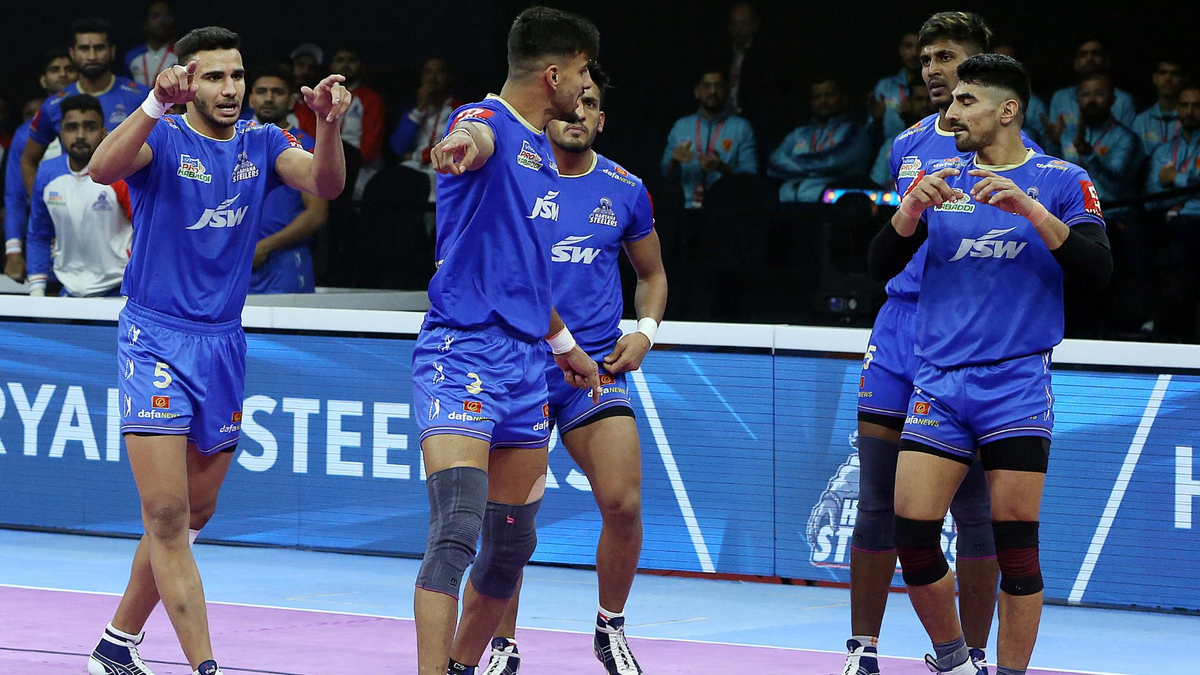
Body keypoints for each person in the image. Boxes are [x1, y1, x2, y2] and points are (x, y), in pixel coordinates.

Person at [83, 25, 349, 675]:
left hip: (223, 343)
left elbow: (326, 184)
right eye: (214, 77)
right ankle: (206, 666)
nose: (230, 89)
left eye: (237, 75)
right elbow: (101, 169)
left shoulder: (265, 141)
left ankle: (116, 643)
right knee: (166, 513)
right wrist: (153, 103)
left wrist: (328, 124)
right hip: (155, 338)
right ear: (187, 81)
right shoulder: (165, 137)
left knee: (195, 511)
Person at [869, 53, 1112, 675]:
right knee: (912, 535)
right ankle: (953, 659)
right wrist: (908, 213)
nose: (951, 113)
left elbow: (1099, 269)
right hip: (938, 382)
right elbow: (877, 266)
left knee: (1017, 549)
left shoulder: (1062, 179)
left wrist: (1031, 211)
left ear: (1008, 110)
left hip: (1016, 383)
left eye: (966, 101)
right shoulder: (939, 179)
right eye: (953, 101)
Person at [849, 13, 1043, 675]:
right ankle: (864, 650)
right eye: (927, 57)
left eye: (948, 58)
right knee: (878, 500)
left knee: (978, 514)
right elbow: (891, 246)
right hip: (899, 332)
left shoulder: (1019, 156)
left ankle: (975, 655)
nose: (933, 69)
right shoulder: (905, 144)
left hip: (967, 340)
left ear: (981, 68)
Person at [410, 7, 602, 675]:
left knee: (512, 545)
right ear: (552, 74)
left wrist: (564, 345)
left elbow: (520, 270)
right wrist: (460, 145)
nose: (586, 85)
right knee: (456, 530)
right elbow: (473, 136)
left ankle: (462, 666)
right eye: (581, 72)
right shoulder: (485, 121)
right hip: (461, 352)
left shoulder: (543, 152)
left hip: (526, 363)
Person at [476, 62, 667, 675]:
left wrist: (645, 332)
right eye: (573, 100)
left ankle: (610, 628)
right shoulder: (517, 177)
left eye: (592, 104)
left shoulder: (625, 188)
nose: (579, 112)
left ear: (601, 119)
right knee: (509, 520)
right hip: (521, 365)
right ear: (553, 105)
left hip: (594, 370)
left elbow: (652, 275)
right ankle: (502, 645)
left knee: (624, 503)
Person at [23, 18, 149, 203]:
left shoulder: (142, 98)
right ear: (72, 53)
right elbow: (28, 160)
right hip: (73, 204)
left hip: (131, 203)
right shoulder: (53, 105)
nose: (91, 56)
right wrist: (43, 205)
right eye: (84, 48)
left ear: (112, 51)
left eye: (99, 48)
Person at [26, 94, 132, 298]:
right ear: (61, 133)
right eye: (72, 127)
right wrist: (37, 290)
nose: (81, 135)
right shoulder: (47, 173)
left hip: (119, 291)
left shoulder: (121, 174)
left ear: (104, 133)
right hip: (69, 291)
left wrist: (137, 287)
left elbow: (145, 233)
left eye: (90, 127)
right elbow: (38, 233)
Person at [246, 66, 328, 294]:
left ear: (292, 101)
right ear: (250, 99)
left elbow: (316, 215)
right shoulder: (236, 142)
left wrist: (265, 246)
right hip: (238, 262)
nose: (269, 98)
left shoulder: (307, 145)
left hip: (286, 262)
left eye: (277, 92)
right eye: (261, 91)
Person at [4, 48, 78, 281]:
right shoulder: (24, 135)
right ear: (43, 80)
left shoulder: (92, 128)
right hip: (45, 231)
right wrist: (13, 252)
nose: (63, 74)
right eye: (55, 69)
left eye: (69, 69)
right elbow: (15, 197)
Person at [1144, 86, 1200, 342]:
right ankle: (1147, 318)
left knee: (1182, 242)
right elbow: (1152, 196)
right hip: (1165, 219)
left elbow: (1166, 187)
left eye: (1196, 106)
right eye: (1185, 105)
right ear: (1178, 109)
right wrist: (1190, 188)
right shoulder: (1164, 151)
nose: (1190, 111)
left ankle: (1174, 328)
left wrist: (1175, 178)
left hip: (1194, 221)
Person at [661, 68, 757, 208]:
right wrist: (673, 162)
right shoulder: (681, 126)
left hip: (727, 207)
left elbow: (751, 176)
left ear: (727, 90)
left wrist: (722, 167)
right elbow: (663, 173)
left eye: (719, 86)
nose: (713, 91)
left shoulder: (741, 127)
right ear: (697, 92)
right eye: (707, 86)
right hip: (687, 206)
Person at [768, 77, 870, 202]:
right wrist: (817, 171)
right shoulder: (800, 132)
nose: (823, 101)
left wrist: (791, 166)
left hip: (827, 205)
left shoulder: (855, 131)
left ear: (843, 99)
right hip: (788, 202)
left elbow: (833, 161)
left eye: (829, 95)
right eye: (817, 97)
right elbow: (772, 164)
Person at [1059, 72, 1142, 219]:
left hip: (1112, 215)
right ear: (1078, 100)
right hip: (1072, 216)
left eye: (1099, 94)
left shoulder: (1126, 138)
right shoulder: (1068, 135)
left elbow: (1116, 186)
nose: (1092, 100)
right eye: (1086, 94)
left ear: (1112, 100)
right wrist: (1051, 142)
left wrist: (1088, 154)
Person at [1044, 39, 1136, 155]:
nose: (1089, 59)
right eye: (1083, 54)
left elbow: (1126, 148)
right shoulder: (1061, 98)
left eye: (1095, 53)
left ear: (1106, 61)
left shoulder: (1122, 100)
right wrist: (1054, 141)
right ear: (1075, 63)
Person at [391, 58, 462, 184]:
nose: (433, 78)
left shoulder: (459, 111)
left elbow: (455, 149)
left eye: (439, 72)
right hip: (412, 169)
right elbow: (398, 148)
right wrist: (419, 110)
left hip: (443, 172)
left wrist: (416, 155)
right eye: (428, 72)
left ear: (448, 78)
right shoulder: (413, 112)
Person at [870, 81, 934, 188]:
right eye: (919, 99)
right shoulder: (893, 143)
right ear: (908, 102)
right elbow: (877, 182)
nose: (924, 104)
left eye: (929, 99)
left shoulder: (948, 139)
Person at [992, 44, 1048, 151]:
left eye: (1007, 60)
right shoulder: (979, 100)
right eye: (996, 61)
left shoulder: (1035, 105)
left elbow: (1044, 142)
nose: (1001, 67)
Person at [869, 31, 922, 139]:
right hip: (889, 148)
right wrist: (877, 120)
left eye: (920, 47)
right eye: (908, 46)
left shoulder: (934, 86)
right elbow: (870, 133)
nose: (914, 53)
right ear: (901, 50)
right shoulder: (885, 86)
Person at [1133, 56, 1187, 156]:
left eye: (1174, 74)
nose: (1168, 79)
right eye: (1163, 73)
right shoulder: (1141, 121)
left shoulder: (1190, 118)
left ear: (1183, 79)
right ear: (1155, 78)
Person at [125, 1, 178, 88]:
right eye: (155, 16)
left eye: (166, 16)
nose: (162, 21)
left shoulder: (181, 54)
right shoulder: (132, 56)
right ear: (145, 24)